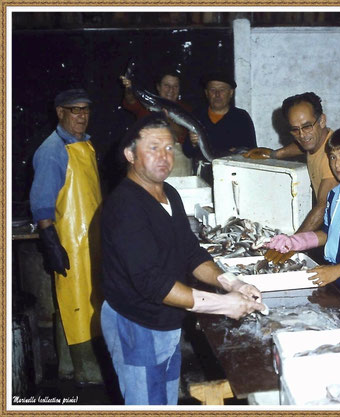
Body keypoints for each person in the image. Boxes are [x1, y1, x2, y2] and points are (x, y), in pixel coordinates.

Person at [100, 112, 265, 405]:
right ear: (130, 154)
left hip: (166, 320)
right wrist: (223, 304)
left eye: (169, 147)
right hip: (137, 325)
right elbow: (152, 283)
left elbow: (190, 251)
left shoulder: (170, 194)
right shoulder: (124, 206)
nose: (164, 156)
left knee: (165, 402)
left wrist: (231, 283)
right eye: (153, 148)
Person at [265, 126, 340, 315]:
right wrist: (294, 242)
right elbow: (327, 233)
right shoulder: (335, 194)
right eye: (332, 157)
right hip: (336, 276)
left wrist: (336, 271)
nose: (337, 164)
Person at [29, 88, 104, 385]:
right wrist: (50, 241)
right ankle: (86, 371)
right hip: (70, 241)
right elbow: (42, 203)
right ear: (60, 112)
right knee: (74, 301)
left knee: (85, 300)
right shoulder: (52, 150)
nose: (82, 116)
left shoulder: (84, 144)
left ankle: (68, 367)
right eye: (75, 110)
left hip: (92, 238)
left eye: (85, 109)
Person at [244, 92, 339, 233]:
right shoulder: (321, 140)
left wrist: (294, 242)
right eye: (295, 129)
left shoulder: (332, 156)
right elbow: (304, 145)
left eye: (307, 126)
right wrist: (274, 154)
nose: (301, 135)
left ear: (322, 121)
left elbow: (324, 206)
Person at [120, 68, 192, 176]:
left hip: (177, 162)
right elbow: (130, 99)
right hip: (146, 160)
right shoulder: (146, 104)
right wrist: (129, 87)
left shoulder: (186, 109)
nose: (171, 90)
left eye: (175, 86)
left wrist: (166, 117)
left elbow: (181, 134)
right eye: (166, 85)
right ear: (158, 87)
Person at [184, 71, 257, 160]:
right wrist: (193, 143)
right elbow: (187, 152)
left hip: (232, 171)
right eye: (212, 90)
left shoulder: (241, 117)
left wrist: (236, 151)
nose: (217, 94)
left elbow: (252, 151)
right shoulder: (197, 115)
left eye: (222, 90)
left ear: (231, 93)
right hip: (202, 170)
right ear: (206, 93)